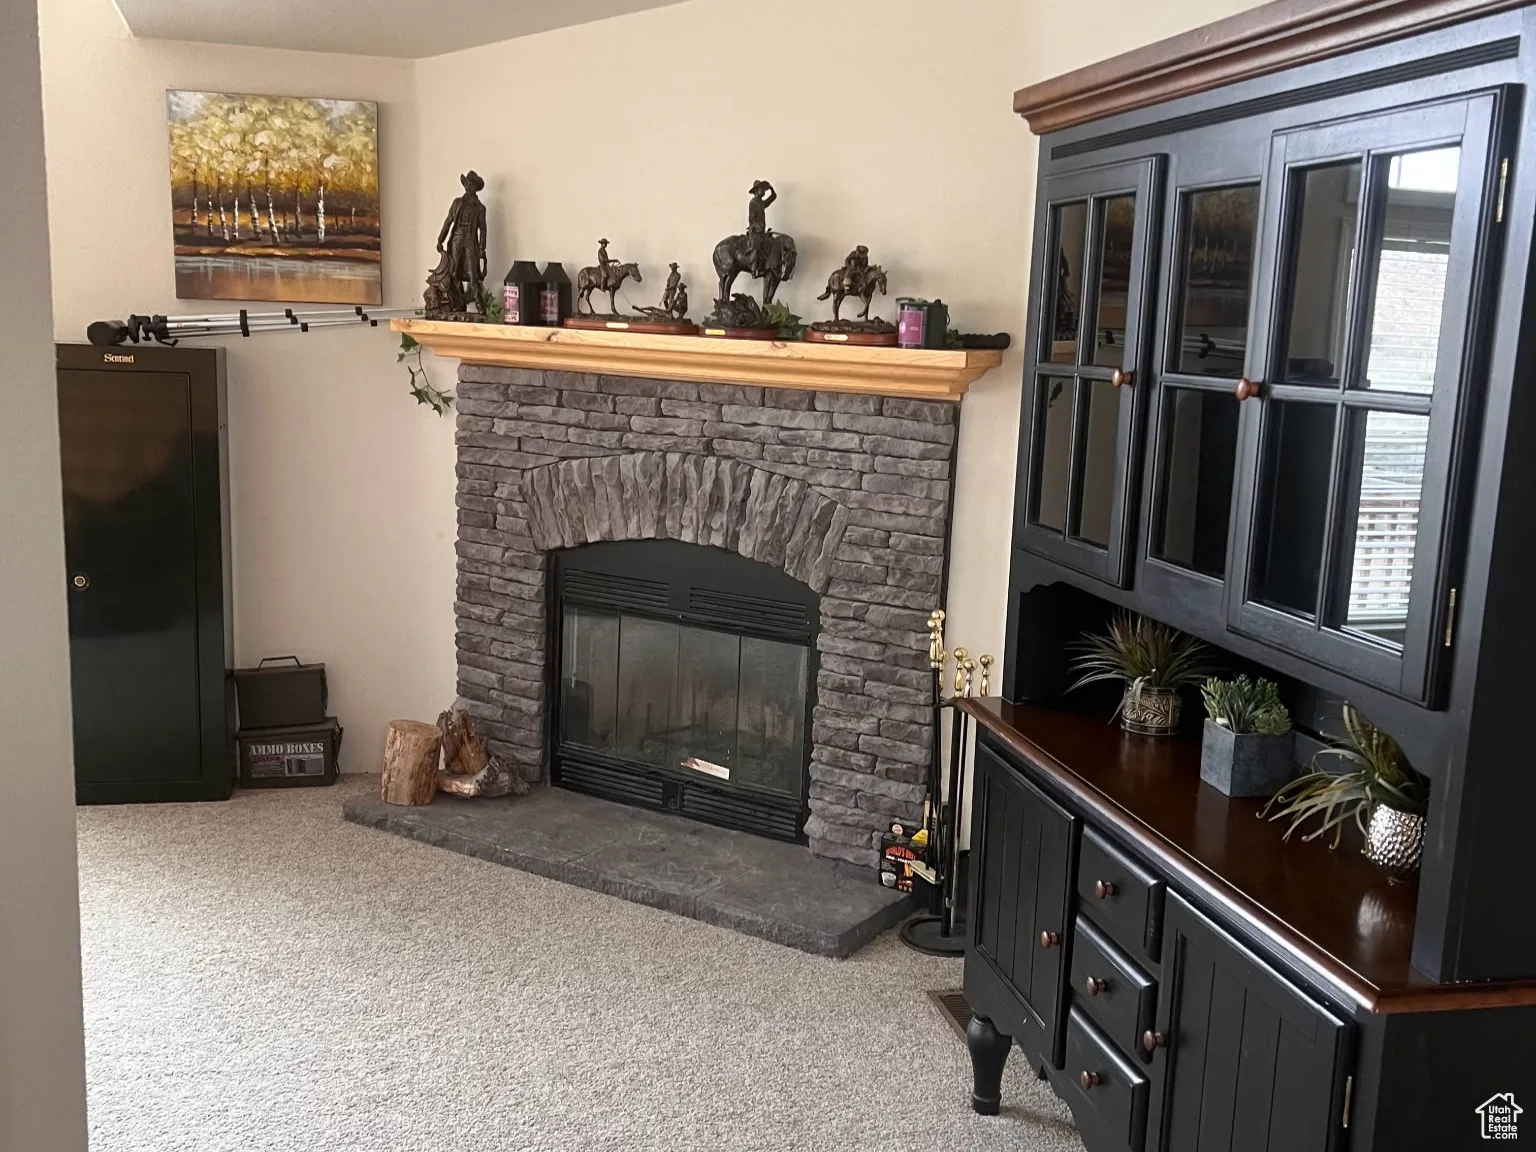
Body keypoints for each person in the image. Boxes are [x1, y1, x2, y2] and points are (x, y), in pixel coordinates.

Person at [745, 180, 777, 276]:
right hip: (755, 231)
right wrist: (757, 226)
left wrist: (771, 188)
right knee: (756, 246)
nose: (763, 191)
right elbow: (751, 218)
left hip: (761, 231)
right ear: (756, 191)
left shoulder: (761, 203)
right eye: (761, 189)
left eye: (764, 189)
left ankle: (766, 266)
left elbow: (773, 197)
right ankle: (754, 270)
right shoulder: (753, 202)